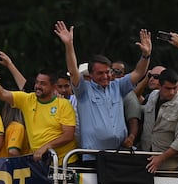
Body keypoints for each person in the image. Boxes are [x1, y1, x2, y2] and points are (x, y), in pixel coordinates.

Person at [54, 20, 152, 163]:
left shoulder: (117, 86)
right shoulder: (84, 90)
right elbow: (73, 71)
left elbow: (139, 72)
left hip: (119, 153)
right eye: (100, 73)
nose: (105, 76)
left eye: (107, 72)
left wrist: (146, 55)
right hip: (94, 157)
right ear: (91, 74)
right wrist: (69, 45)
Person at [0, 69, 78, 165]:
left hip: (64, 163)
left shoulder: (64, 105)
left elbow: (68, 135)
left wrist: (46, 146)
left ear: (53, 87)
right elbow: (2, 93)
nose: (38, 86)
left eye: (43, 84)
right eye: (37, 82)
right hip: (40, 162)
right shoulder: (27, 99)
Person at [140, 69, 178, 173]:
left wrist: (161, 158)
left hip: (167, 166)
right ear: (159, 85)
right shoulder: (153, 96)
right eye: (168, 88)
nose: (172, 92)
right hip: (145, 158)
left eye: (175, 88)